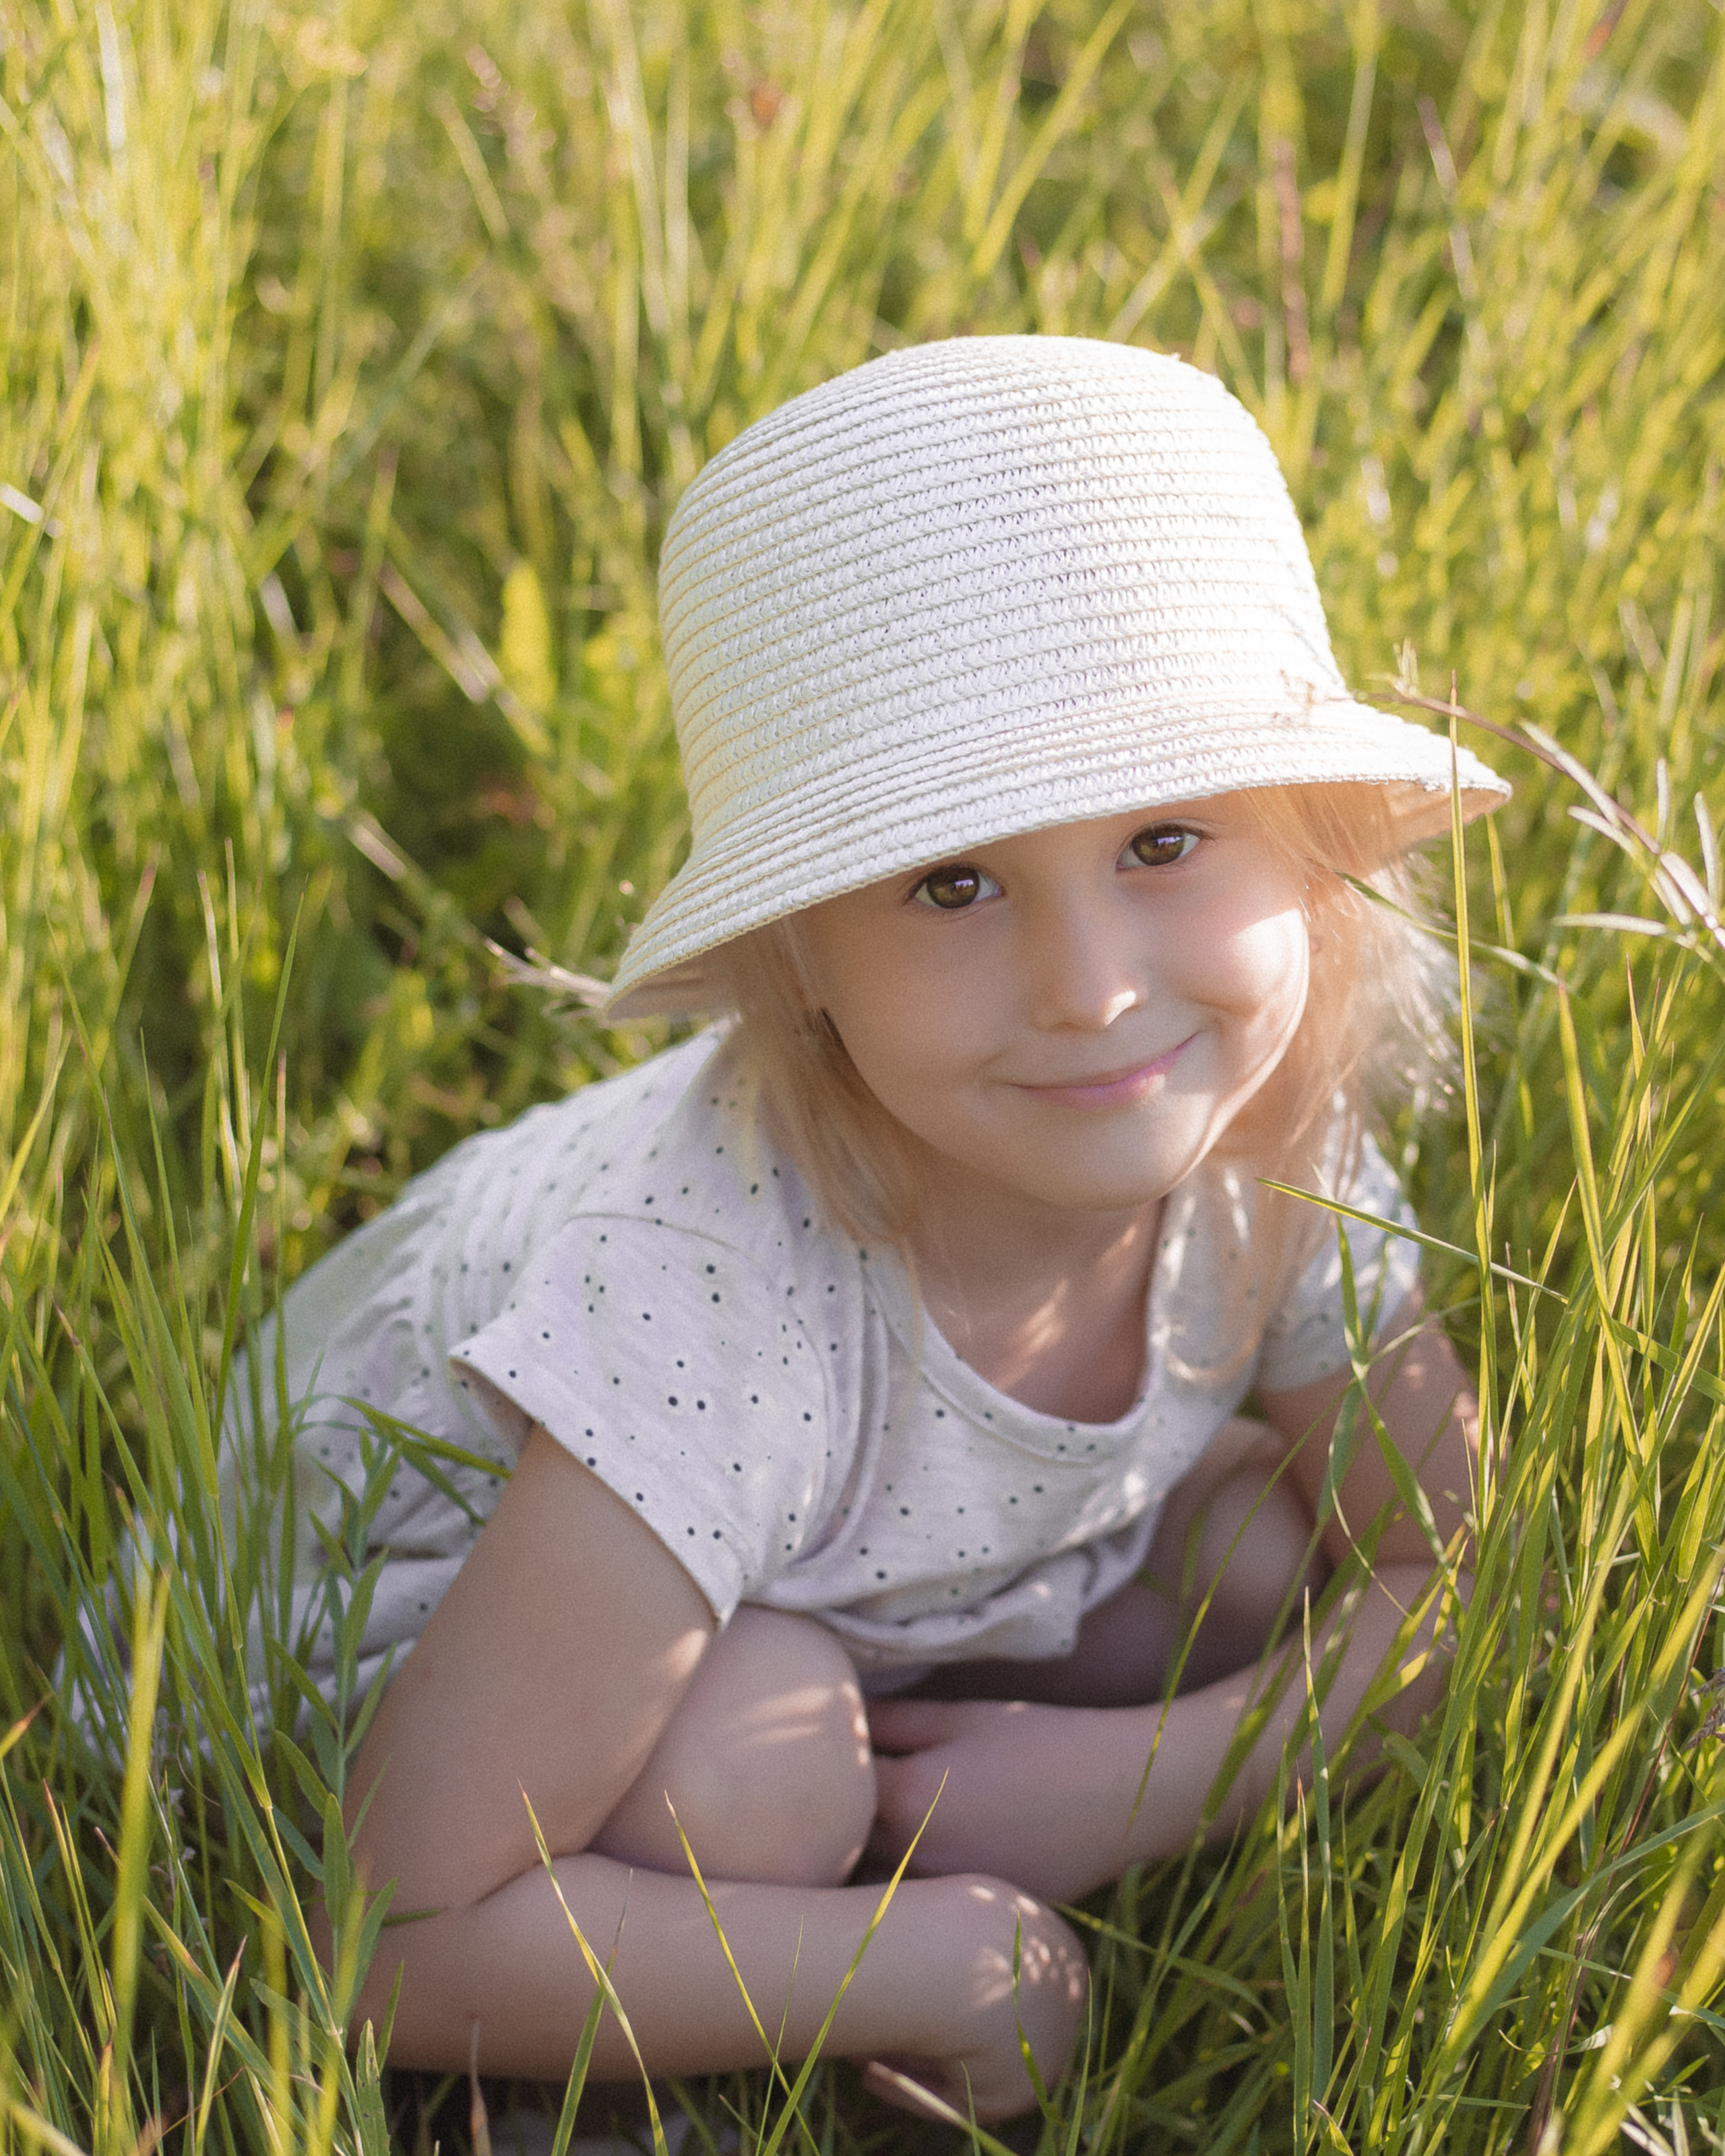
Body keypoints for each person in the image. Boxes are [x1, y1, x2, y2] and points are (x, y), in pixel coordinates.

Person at [234, 337, 1505, 2122]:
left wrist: (1151, 1779)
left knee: (1262, 1567)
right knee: (755, 1782)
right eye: (953, 882)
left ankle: (877, 1750)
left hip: (812, 1543)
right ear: (800, 955)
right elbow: (382, 1936)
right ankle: (745, 1987)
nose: (1089, 993)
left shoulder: (1265, 1133)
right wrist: (918, 1962)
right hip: (439, 1651)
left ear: (1306, 851)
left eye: (1165, 839)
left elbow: (1455, 1572)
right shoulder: (709, 1301)